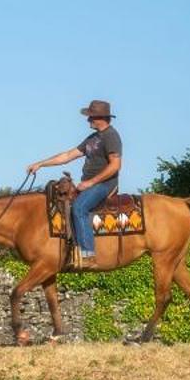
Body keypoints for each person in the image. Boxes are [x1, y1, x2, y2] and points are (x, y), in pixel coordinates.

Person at [27, 100, 123, 268]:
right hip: (90, 184)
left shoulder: (111, 136)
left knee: (79, 207)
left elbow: (115, 165)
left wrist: (90, 182)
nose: (88, 120)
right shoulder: (93, 138)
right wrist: (40, 164)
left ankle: (88, 256)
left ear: (99, 117)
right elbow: (67, 156)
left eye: (90, 117)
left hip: (105, 184)